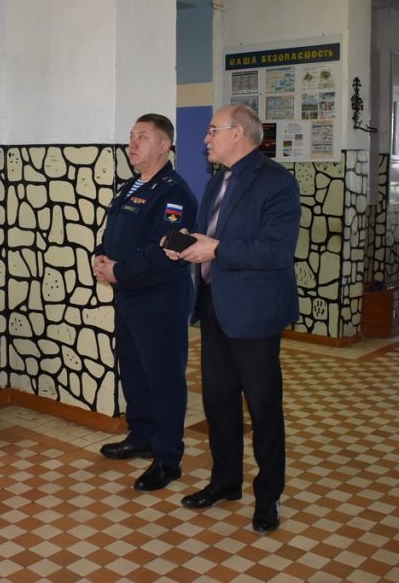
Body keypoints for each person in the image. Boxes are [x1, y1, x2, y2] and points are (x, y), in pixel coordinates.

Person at [164, 104, 300, 533]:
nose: (205, 138)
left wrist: (216, 249)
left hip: (254, 314)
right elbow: (209, 237)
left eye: (212, 130)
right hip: (214, 307)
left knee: (263, 409)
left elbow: (276, 252)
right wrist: (187, 246)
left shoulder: (277, 182)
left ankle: (268, 496)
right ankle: (225, 482)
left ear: (238, 133)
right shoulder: (216, 181)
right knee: (218, 402)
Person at [94, 113, 197, 492]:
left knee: (164, 378)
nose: (132, 143)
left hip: (160, 299)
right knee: (135, 370)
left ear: (164, 146)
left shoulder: (174, 193)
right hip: (130, 295)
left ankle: (167, 458)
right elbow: (114, 232)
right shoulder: (130, 186)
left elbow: (164, 249)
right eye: (131, 136)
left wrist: (119, 271)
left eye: (142, 137)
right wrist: (101, 256)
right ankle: (141, 436)